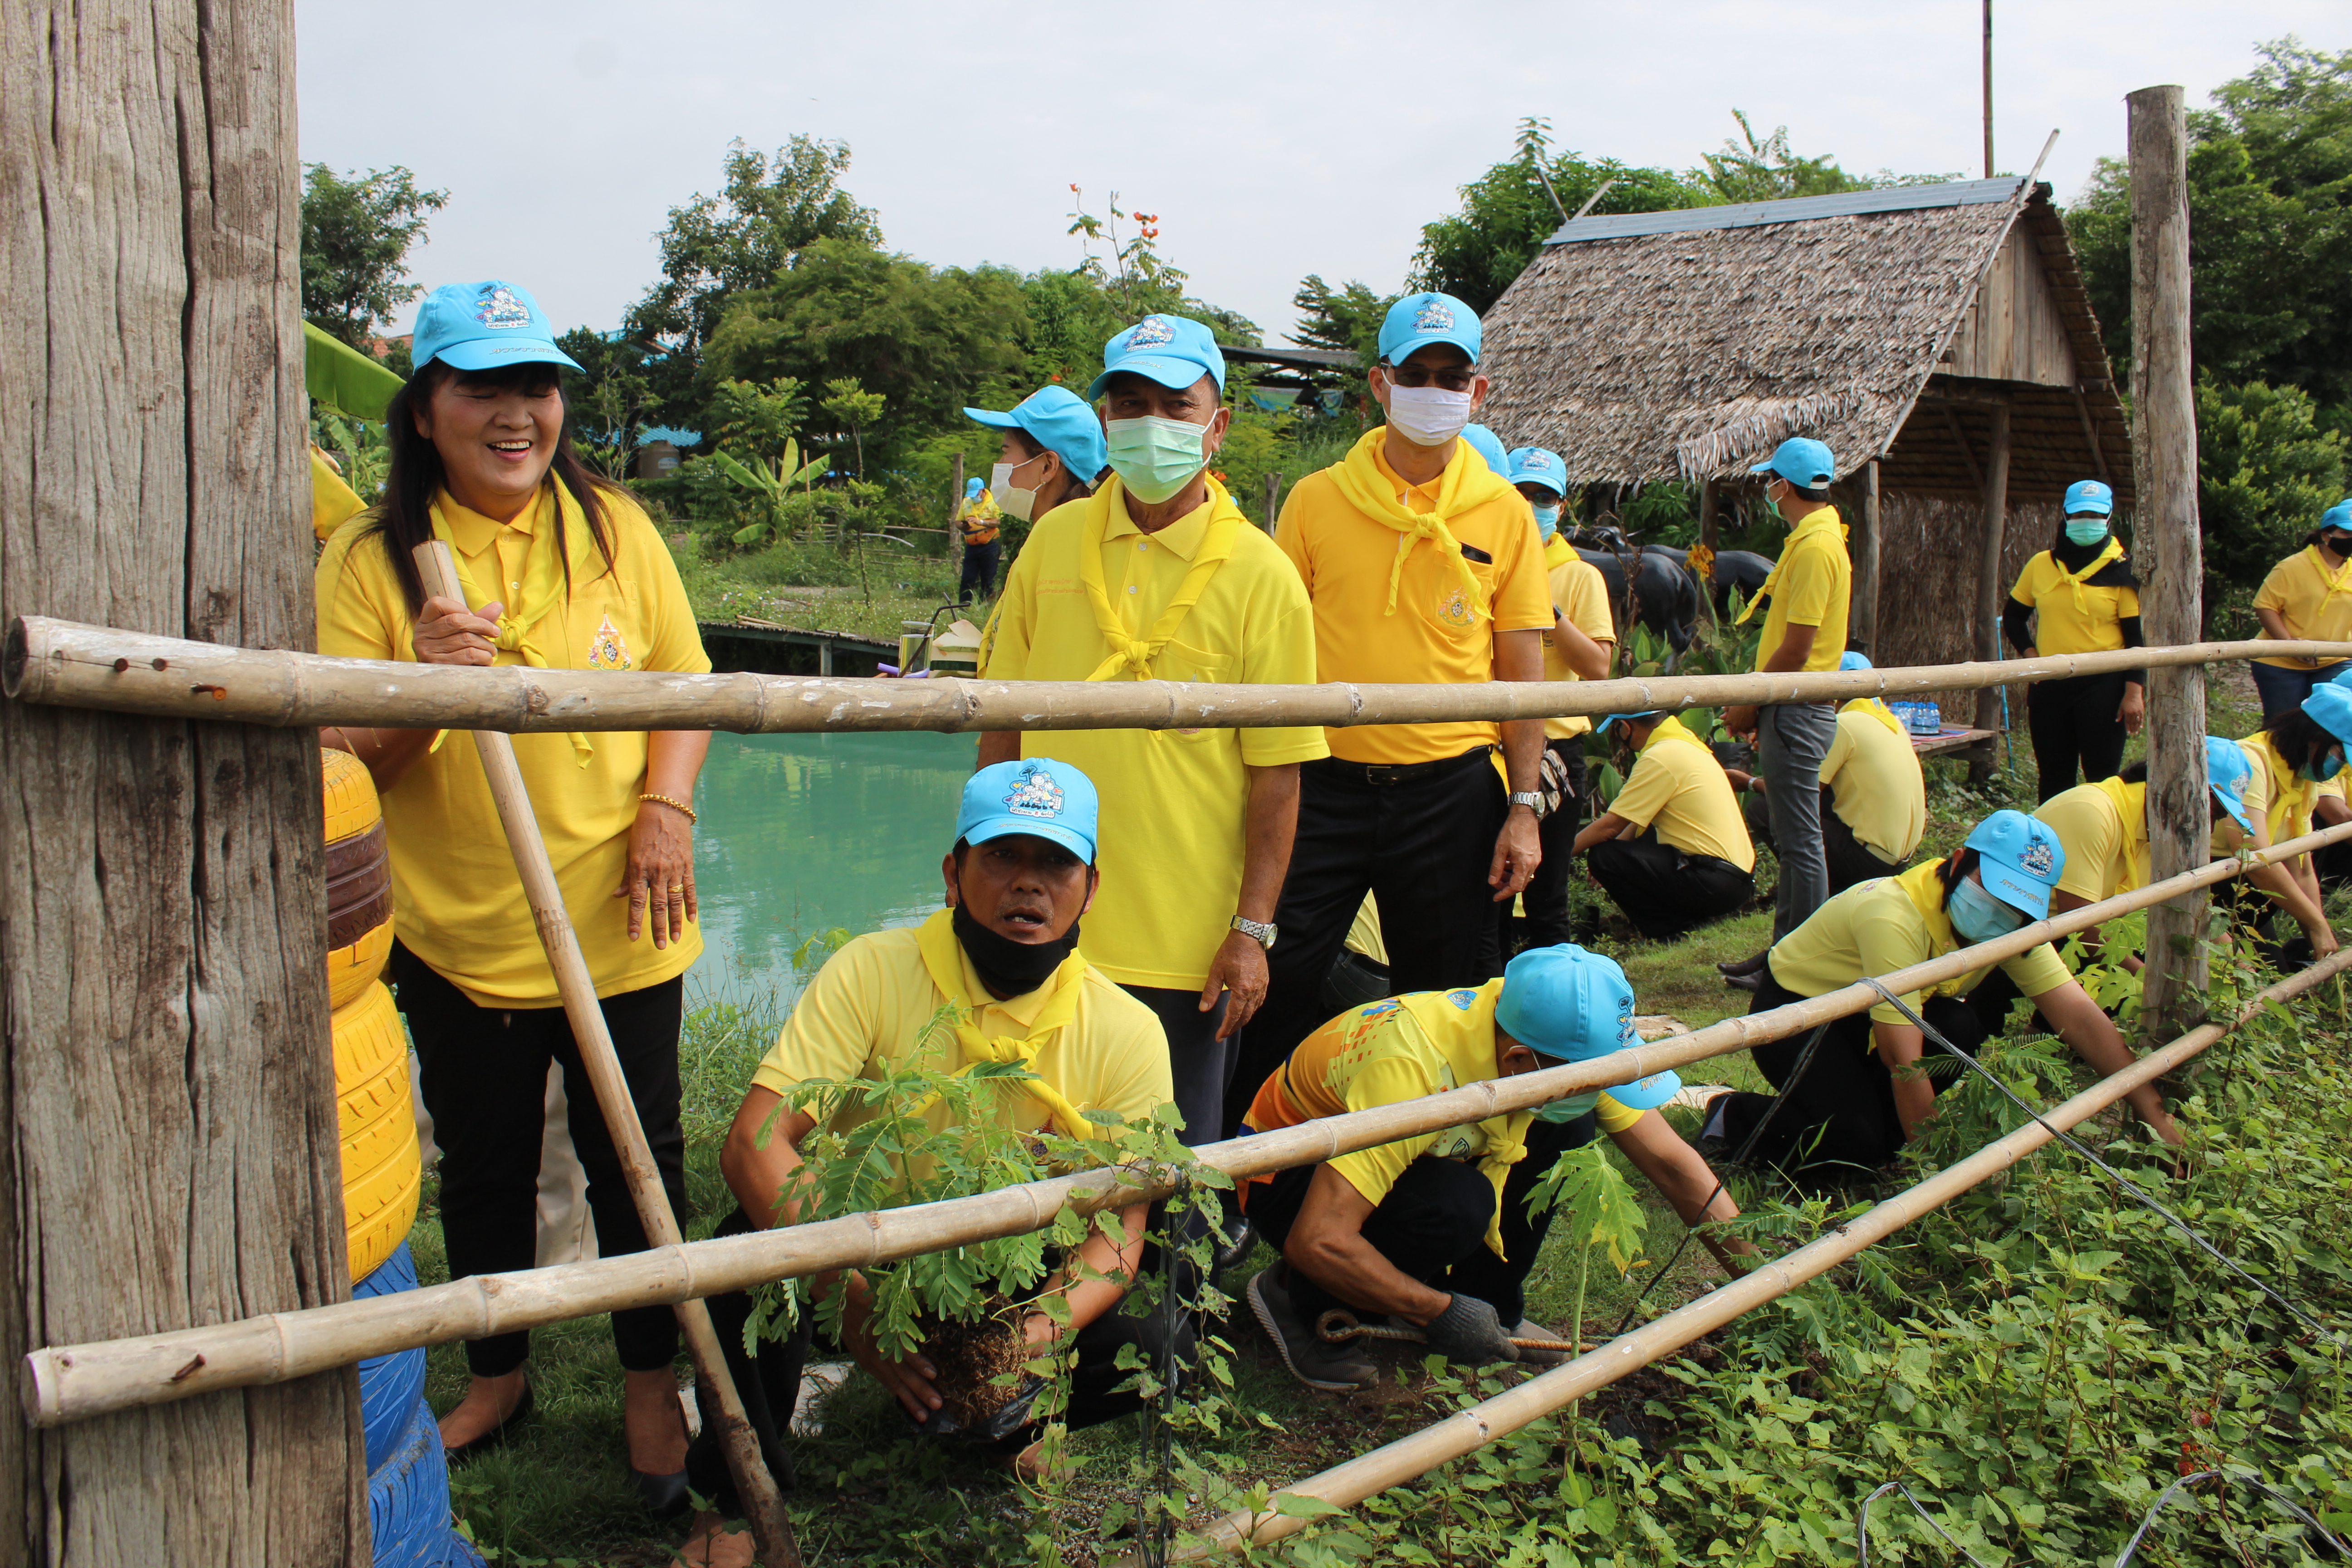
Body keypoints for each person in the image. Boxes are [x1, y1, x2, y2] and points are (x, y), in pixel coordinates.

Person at [313, 279, 710, 1496]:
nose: (515, 413)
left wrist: (666, 809)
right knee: (483, 1167)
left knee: (637, 1155)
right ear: (423, 409)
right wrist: (419, 685)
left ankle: (651, 1376)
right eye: (482, 387)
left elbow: (685, 681)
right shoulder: (372, 560)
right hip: (461, 936)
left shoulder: (613, 528)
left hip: (622, 920)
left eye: (535, 387)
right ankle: (499, 1372)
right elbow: (337, 753)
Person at [681, 760, 1177, 1557]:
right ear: (952, 874)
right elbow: (753, 1142)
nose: (1028, 883)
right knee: (744, 1256)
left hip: (1014, 1276)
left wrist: (1024, 1342)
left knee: (1155, 1332)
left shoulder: (1127, 1031)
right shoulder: (873, 971)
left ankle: (1009, 1419)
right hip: (869, 1254)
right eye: (1001, 856)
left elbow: (1118, 1233)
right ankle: (734, 1497)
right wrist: (853, 1301)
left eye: (1055, 863)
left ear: (1090, 889)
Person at [976, 316, 1325, 1146]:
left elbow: (1277, 775)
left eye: (1176, 406)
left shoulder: (1263, 575)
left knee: (1165, 1167)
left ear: (1217, 425)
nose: (1151, 423)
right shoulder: (1052, 542)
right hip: (1042, 923)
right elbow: (999, 721)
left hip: (1185, 950)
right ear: (1105, 420)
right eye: (1130, 404)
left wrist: (1250, 932)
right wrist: (973, 873)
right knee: (1022, 1156)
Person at [1237, 292, 1555, 1137]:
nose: (1433, 391)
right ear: (1379, 384)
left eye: (1452, 377)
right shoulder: (1315, 500)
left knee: (1439, 997)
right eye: (1416, 374)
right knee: (1277, 975)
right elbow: (1273, 646)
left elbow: (1521, 672)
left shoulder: (1504, 513)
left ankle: (1421, 1162)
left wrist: (1523, 807)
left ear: (1477, 392)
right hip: (1324, 786)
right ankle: (1247, 1162)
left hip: (1450, 790)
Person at [1238, 945, 1749, 1389]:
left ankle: (1491, 1306)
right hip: (1290, 1175)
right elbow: (1320, 1238)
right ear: (1520, 1062)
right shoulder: (1412, 1068)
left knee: (1566, 1126)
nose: (1602, 1089)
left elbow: (1672, 1166)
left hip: (1410, 1156)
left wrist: (1762, 1284)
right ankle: (1301, 1300)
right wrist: (1439, 1314)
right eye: (1596, 1079)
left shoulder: (1542, 1023)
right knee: (1457, 1206)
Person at [1702, 811, 2183, 1183]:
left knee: (1958, 1028)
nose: (2000, 911)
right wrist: (1938, 1178)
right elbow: (1902, 1060)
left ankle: (1873, 1131)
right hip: (1799, 1014)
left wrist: (2159, 1121)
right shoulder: (1893, 916)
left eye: (2017, 904)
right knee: (1858, 1143)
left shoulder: (2013, 928)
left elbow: (2079, 1018)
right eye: (1992, 891)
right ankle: (1735, 1117)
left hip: (1873, 1019)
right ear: (1957, 862)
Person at [2023, 739, 2334, 984]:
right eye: (2212, 812)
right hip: (2030, 931)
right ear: (2180, 789)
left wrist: (2238, 965)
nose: (2209, 828)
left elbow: (2192, 907)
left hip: (2080, 934)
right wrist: (2152, 983)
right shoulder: (2092, 812)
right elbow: (2080, 925)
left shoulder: (2164, 832)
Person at [1721, 436, 1851, 959]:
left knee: (1800, 841)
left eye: (1769, 481)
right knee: (1794, 835)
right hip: (1791, 704)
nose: (1767, 490)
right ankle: (1784, 952)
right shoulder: (1814, 540)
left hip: (1795, 704)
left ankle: (1803, 958)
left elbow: (1798, 648)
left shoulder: (1817, 548)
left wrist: (1750, 700)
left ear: (1783, 486)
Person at [1725, 652, 1924, 916]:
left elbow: (1799, 791)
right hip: (1897, 859)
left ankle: (1809, 886)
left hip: (1869, 860)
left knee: (1764, 809)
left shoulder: (1845, 725)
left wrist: (1749, 782)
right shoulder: (1888, 721)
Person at [1513, 445, 1616, 950]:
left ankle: (1557, 988)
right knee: (1486, 889)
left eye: (1544, 497)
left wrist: (1546, 610)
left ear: (1562, 506)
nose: (1533, 505)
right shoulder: (1486, 566)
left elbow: (1598, 667)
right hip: (1493, 748)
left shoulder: (1580, 576)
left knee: (1547, 894)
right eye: (1522, 493)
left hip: (1557, 749)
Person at [2003, 480, 2145, 801]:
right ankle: (2050, 833)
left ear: (2108, 518)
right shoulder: (2042, 564)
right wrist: (2030, 655)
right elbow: (2013, 616)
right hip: (2050, 682)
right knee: (2054, 775)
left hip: (2104, 684)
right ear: (2066, 516)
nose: (2087, 522)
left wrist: (2134, 693)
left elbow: (2136, 639)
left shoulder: (2122, 570)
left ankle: (2102, 831)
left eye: (2095, 516)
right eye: (2079, 515)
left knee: (2102, 777)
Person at [1569, 709, 1756, 941]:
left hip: (1714, 884)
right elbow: (1634, 822)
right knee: (1621, 847)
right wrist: (1619, 855)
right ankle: (1690, 922)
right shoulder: (1685, 744)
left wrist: (1549, 860)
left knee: (1603, 857)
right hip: (1737, 881)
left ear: (1625, 728)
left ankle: (1671, 932)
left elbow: (1609, 827)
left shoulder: (1659, 757)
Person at [2238, 685, 2352, 927]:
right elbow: (2255, 857)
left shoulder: (2303, 779)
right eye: (2341, 756)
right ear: (2315, 740)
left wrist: (2318, 929)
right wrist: (2316, 926)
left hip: (2254, 895)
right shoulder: (2250, 763)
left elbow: (2302, 868)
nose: (2342, 766)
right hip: (2218, 892)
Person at [2249, 498, 2352, 720]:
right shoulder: (2292, 567)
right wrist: (2289, 645)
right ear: (2326, 536)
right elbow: (2265, 607)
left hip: (2334, 660)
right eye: (2346, 534)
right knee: (2283, 725)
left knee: (2325, 724)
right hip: (2281, 663)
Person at [964, 383, 1108, 526]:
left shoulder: (1057, 538)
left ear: (1048, 467)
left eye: (1006, 451)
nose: (1000, 464)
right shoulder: (1085, 529)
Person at [955, 475, 1004, 605]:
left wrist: (981, 522)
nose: (973, 497)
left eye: (975, 494)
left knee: (988, 579)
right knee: (968, 578)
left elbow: (998, 521)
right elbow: (958, 521)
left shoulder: (994, 502)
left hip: (990, 545)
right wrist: (963, 526)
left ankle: (984, 607)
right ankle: (964, 607)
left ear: (982, 490)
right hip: (972, 545)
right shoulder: (966, 502)